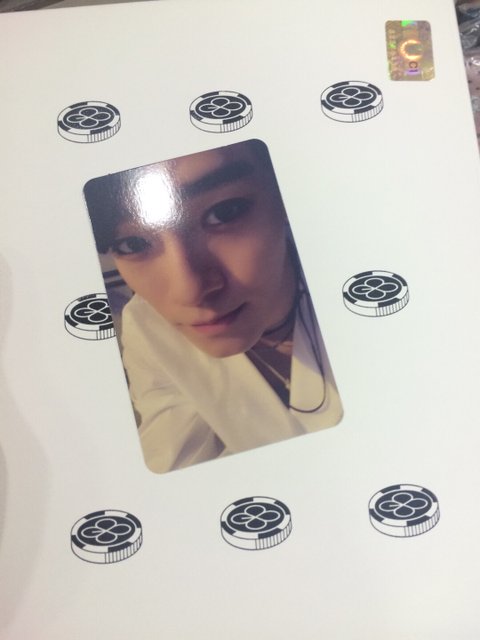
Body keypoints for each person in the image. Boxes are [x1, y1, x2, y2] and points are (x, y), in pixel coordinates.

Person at [84, 139, 342, 473]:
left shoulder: (354, 279)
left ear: (284, 195)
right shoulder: (146, 325)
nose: (189, 290)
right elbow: (175, 459)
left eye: (225, 212)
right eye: (132, 243)